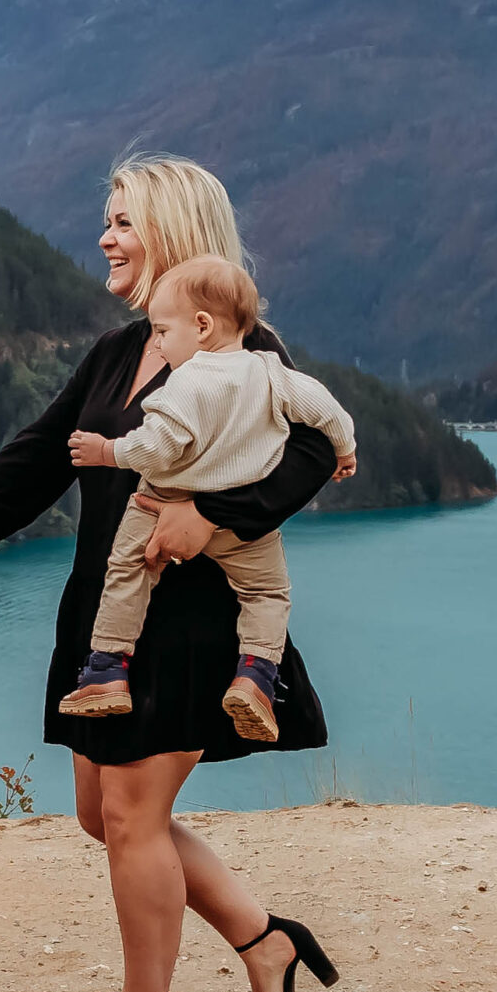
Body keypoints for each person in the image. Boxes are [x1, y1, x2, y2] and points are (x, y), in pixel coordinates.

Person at [0, 155, 341, 992]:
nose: (104, 235)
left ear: (175, 230)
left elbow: (315, 453)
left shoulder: (245, 348)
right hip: (104, 614)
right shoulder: (119, 349)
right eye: (106, 218)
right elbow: (32, 459)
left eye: (124, 220)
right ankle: (267, 942)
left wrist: (216, 522)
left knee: (136, 818)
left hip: (194, 621)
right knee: (101, 819)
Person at [61, 254, 357, 743]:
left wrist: (108, 451)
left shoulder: (186, 383)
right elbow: (328, 411)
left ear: (201, 326)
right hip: (240, 520)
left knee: (128, 572)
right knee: (266, 594)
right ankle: (257, 677)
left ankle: (107, 670)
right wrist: (344, 450)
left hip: (160, 505)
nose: (156, 343)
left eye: (161, 331)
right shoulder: (270, 372)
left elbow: (155, 448)